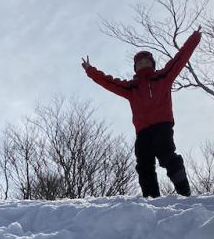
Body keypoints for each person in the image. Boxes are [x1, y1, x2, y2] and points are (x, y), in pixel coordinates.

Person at [82, 29, 201, 198]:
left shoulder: (163, 77)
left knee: (168, 157)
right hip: (142, 132)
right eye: (139, 62)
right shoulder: (132, 87)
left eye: (146, 61)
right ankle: (152, 199)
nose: (143, 64)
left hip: (162, 127)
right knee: (144, 164)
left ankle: (184, 191)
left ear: (152, 64)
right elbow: (109, 82)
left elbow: (180, 58)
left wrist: (195, 38)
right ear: (135, 67)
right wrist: (90, 71)